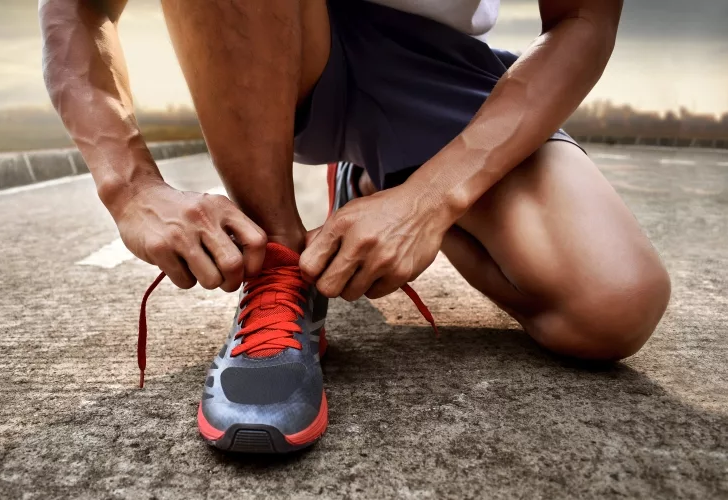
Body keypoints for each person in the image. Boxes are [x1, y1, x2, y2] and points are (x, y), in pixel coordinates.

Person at [40, 0, 670, 453]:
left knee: (612, 306)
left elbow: (583, 19)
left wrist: (429, 199)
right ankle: (282, 266)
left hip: (434, 61)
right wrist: (130, 187)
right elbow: (78, 9)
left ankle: (375, 180)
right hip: (262, 37)